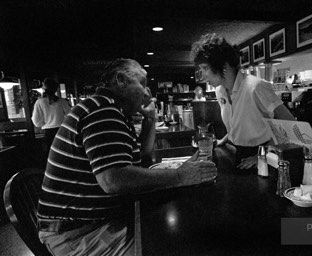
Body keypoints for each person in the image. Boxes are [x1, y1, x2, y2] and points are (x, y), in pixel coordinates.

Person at [37, 59, 217, 256]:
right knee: (168, 244)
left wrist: (150, 119)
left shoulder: (110, 109)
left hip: (90, 224)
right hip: (78, 234)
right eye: (143, 83)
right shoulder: (102, 110)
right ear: (121, 80)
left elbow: (143, 156)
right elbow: (113, 180)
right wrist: (179, 176)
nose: (148, 92)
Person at [191, 33, 294, 170]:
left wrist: (263, 155)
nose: (202, 76)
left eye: (205, 68)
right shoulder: (220, 91)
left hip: (262, 158)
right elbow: (241, 124)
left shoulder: (255, 87)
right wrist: (223, 140)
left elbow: (289, 122)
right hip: (237, 154)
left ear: (223, 66)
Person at [31, 77, 71, 159]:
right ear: (56, 90)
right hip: (61, 132)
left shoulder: (39, 102)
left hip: (48, 133)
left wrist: (45, 123)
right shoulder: (62, 101)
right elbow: (70, 116)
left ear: (44, 88)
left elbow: (36, 121)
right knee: (62, 155)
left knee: (50, 156)